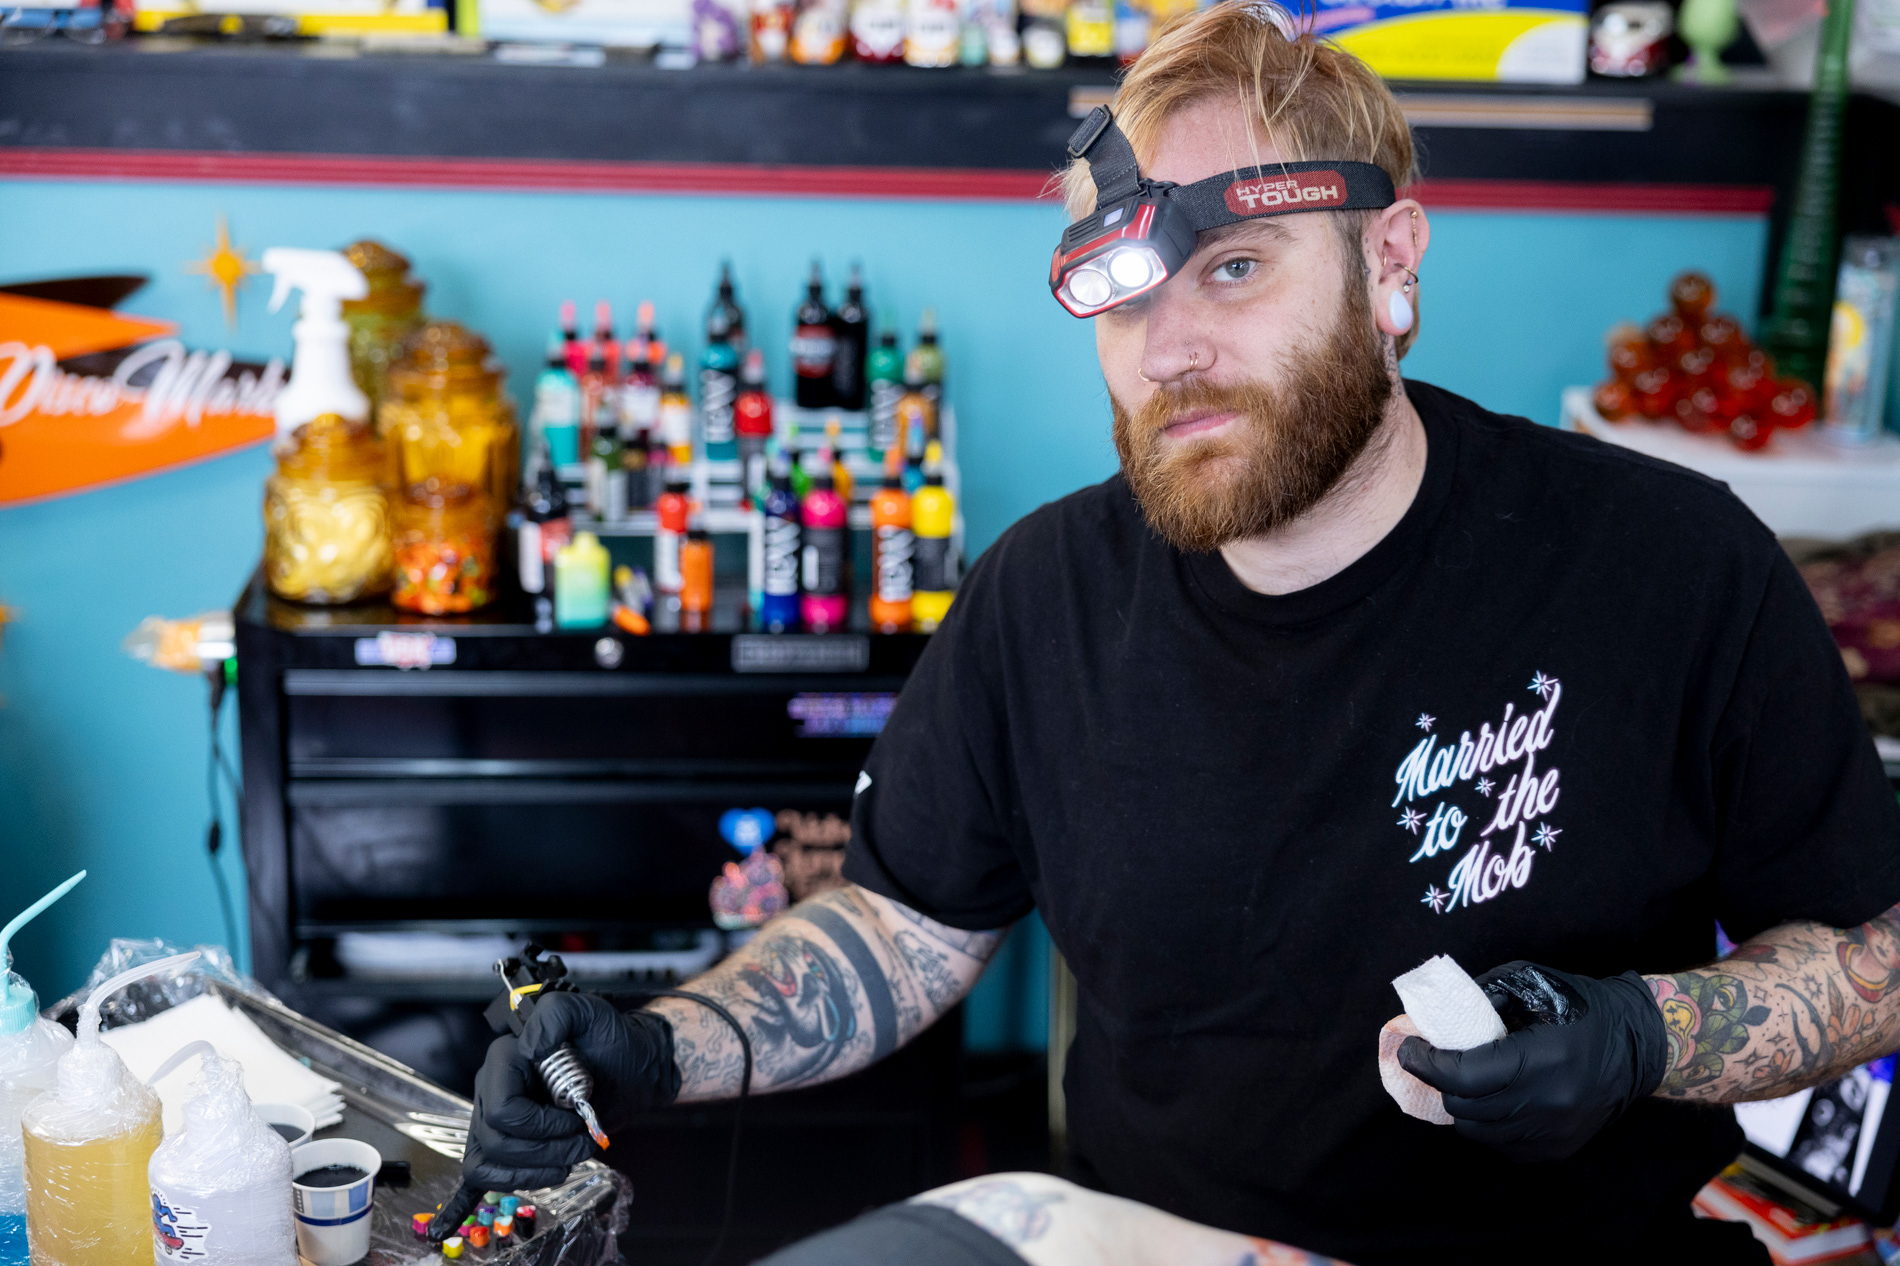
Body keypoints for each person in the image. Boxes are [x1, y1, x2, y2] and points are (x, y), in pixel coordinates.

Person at [455, 4, 1900, 1262]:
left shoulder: (1669, 561)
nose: (1172, 350)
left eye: (1236, 269)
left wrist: (1641, 1036)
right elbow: (904, 925)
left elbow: (1871, 952)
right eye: (1124, 294)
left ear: (1389, 260)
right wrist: (655, 1043)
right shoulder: (1045, 596)